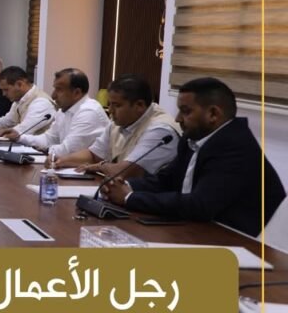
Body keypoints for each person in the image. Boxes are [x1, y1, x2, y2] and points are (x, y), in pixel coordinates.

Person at [102, 77, 285, 237]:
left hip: (241, 243)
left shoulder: (236, 147)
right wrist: (123, 185)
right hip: (200, 229)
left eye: (186, 111)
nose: (177, 119)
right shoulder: (193, 139)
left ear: (213, 114)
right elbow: (166, 180)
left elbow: (200, 205)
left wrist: (129, 198)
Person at [56, 75, 179, 179]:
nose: (110, 110)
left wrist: (100, 166)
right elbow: (94, 155)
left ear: (140, 105)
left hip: (150, 197)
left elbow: (127, 171)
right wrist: (61, 161)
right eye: (109, 104)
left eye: (117, 105)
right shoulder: (117, 123)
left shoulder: (161, 130)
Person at [0, 68, 108, 158]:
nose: (53, 95)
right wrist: (19, 137)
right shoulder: (63, 111)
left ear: (77, 93)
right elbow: (48, 139)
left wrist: (44, 149)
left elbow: (68, 150)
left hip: (91, 174)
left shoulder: (89, 112)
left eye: (59, 90)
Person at [0, 66, 54, 135]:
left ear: (19, 84)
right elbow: (8, 120)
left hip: (39, 149)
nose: (3, 94)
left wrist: (2, 133)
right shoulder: (19, 100)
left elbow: (23, 130)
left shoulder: (41, 102)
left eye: (6, 90)